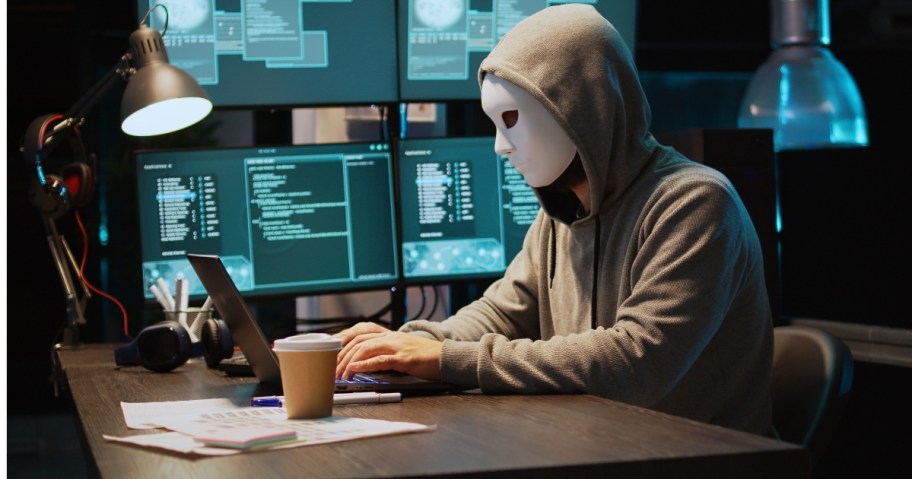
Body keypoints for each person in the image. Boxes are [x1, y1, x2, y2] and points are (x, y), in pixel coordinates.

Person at [336, 3, 774, 436]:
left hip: (697, 459)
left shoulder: (694, 203)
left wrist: (441, 359)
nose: (500, 147)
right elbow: (500, 314)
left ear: (582, 108)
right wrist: (401, 346)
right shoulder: (560, 216)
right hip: (603, 450)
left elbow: (636, 362)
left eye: (510, 120)